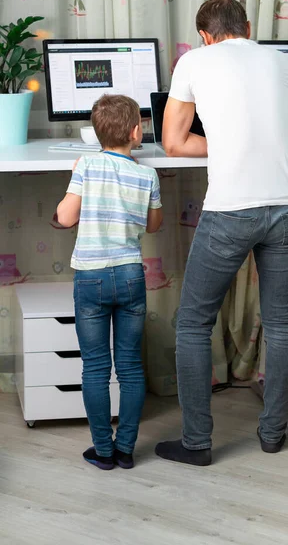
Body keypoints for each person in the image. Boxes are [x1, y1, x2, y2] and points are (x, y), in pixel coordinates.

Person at [155, 0, 288, 467]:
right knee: (282, 322)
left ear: (205, 35)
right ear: (247, 27)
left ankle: (198, 443)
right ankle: (273, 433)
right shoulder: (283, 62)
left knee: (194, 321)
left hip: (231, 210)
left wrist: (220, 145)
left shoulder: (194, 61)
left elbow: (174, 142)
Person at [57, 95, 163, 471]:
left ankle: (103, 450)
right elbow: (153, 226)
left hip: (91, 278)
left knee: (96, 368)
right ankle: (126, 449)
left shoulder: (86, 164)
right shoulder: (147, 174)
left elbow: (66, 217)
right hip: (131, 276)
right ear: (137, 132)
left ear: (95, 133)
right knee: (131, 367)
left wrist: (76, 177)